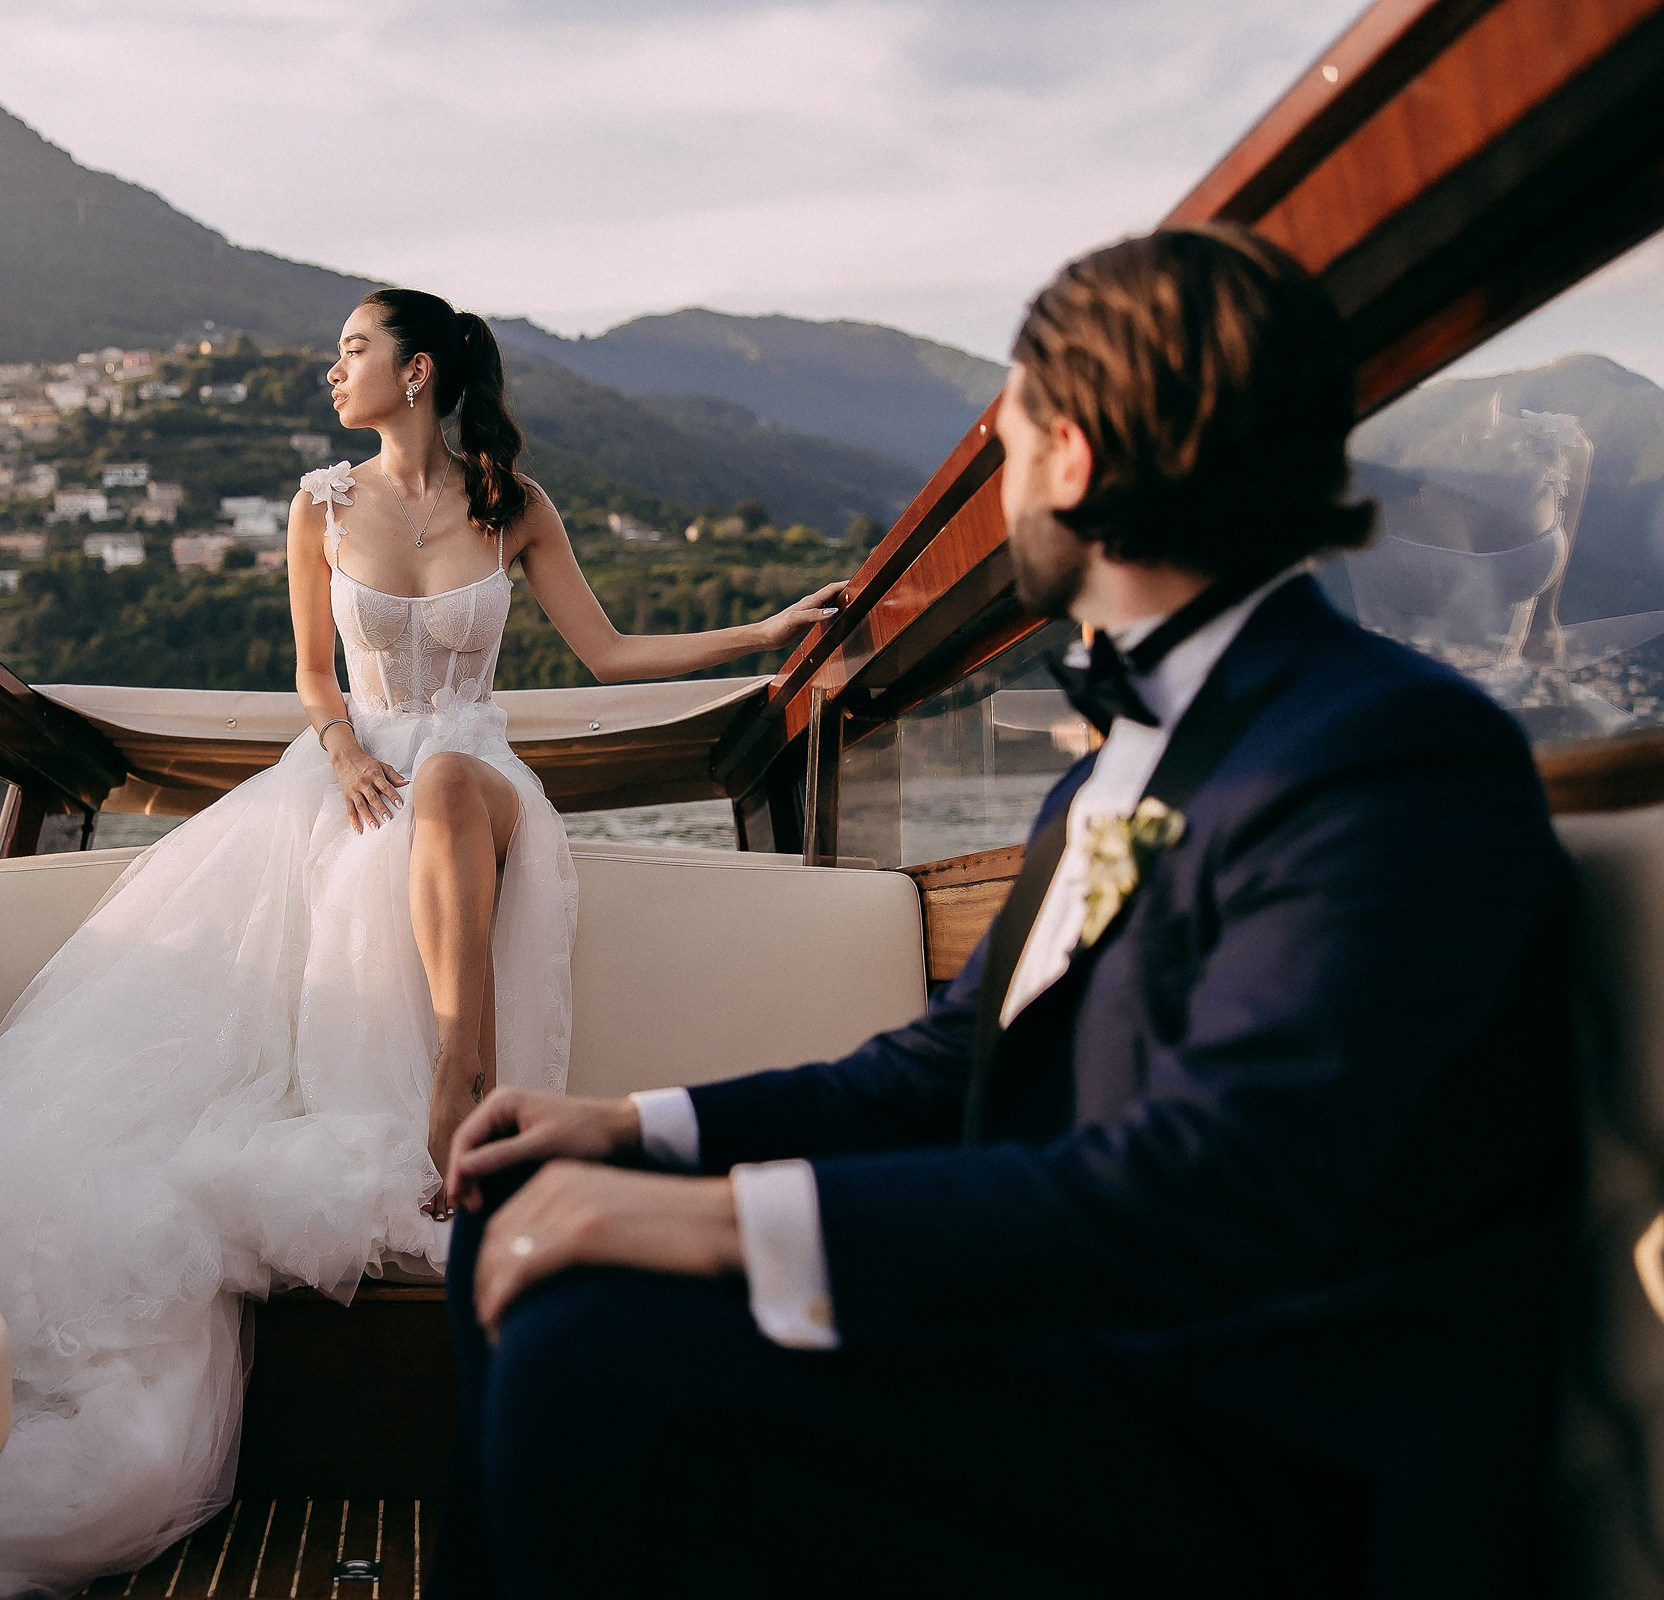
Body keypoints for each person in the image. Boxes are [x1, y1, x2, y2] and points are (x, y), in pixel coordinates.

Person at [435, 226, 1578, 1599]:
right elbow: (945, 1066)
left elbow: (1227, 1189)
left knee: (584, 1353)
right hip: (1093, 1344)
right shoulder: (1126, 762)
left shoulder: (1378, 749)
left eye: (1013, 433)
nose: (1008, 469)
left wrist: (727, 1223)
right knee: (510, 1200)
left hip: (1250, 1449)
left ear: (1076, 459)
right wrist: (634, 1130)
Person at [0, 286, 842, 1599]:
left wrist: (767, 635)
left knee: (448, 780)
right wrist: (338, 749)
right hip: (352, 776)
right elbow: (318, 675)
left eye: (354, 349)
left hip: (479, 778)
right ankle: (443, 1100)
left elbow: (608, 654)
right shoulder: (319, 504)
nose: (334, 370)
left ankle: (461, 1082)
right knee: (371, 838)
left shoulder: (515, 504)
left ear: (418, 371)